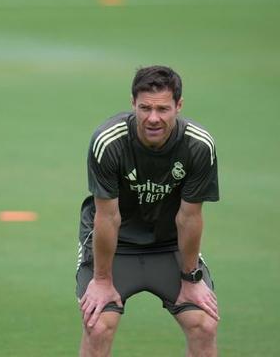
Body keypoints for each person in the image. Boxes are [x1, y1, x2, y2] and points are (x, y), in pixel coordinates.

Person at [76, 65, 220, 357]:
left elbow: (189, 217)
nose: (153, 118)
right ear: (133, 104)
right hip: (115, 245)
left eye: (163, 109)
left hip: (169, 244)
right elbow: (108, 217)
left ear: (178, 106)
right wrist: (101, 280)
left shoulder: (198, 145)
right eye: (145, 108)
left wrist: (191, 279)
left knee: (204, 324)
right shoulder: (109, 142)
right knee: (98, 325)